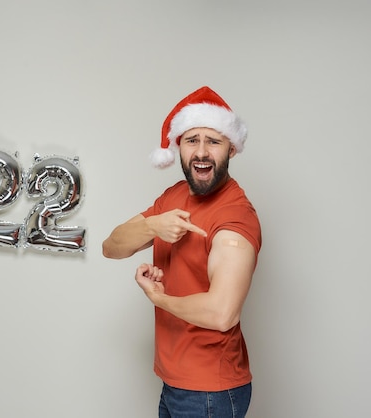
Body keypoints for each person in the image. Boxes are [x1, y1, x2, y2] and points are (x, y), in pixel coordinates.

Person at [102, 86, 262, 418]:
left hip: (209, 391)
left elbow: (222, 313)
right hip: (175, 380)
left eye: (213, 141)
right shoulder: (173, 196)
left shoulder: (234, 217)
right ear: (179, 147)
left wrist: (159, 299)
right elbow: (112, 247)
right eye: (192, 140)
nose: (201, 152)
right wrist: (151, 227)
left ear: (231, 148)